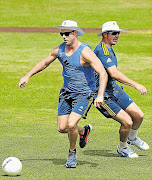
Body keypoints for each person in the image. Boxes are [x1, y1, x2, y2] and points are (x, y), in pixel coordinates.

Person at [18, 20, 108, 167]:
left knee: (71, 124)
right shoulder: (59, 50)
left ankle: (72, 153)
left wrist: (100, 95)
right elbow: (44, 63)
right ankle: (83, 131)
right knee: (62, 128)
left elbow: (102, 72)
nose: (63, 36)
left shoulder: (85, 52)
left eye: (66, 33)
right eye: (62, 33)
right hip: (66, 94)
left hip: (83, 95)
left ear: (75, 33)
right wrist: (27, 75)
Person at [94, 21, 149, 158]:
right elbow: (114, 73)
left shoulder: (109, 48)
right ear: (105, 34)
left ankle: (132, 138)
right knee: (127, 122)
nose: (117, 35)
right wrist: (136, 85)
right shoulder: (102, 50)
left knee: (138, 116)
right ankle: (123, 148)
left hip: (114, 89)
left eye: (118, 32)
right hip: (103, 95)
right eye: (113, 33)